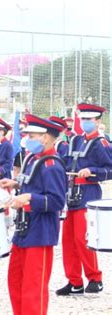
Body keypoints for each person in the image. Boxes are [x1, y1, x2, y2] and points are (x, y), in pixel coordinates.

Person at [0, 114, 67, 315]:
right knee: (16, 281)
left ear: (45, 137)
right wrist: (16, 183)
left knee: (33, 288)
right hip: (24, 229)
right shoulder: (32, 158)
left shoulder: (52, 165)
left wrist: (29, 197)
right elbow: (31, 181)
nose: (27, 138)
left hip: (41, 232)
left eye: (31, 135)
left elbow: (56, 201)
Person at [57, 103, 112, 296]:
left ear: (98, 121)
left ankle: (95, 279)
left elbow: (109, 169)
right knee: (68, 239)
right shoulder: (75, 140)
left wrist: (93, 171)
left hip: (88, 193)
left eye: (89, 120)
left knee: (83, 238)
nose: (85, 123)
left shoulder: (102, 143)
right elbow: (64, 161)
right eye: (83, 119)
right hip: (70, 192)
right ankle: (74, 282)